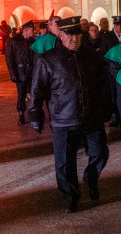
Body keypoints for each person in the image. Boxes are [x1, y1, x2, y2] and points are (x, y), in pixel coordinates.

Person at [29, 16, 113, 213]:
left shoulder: (92, 57)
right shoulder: (48, 59)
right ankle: (70, 197)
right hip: (63, 119)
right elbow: (37, 89)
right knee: (65, 164)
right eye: (69, 34)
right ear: (61, 34)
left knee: (100, 153)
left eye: (77, 34)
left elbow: (103, 86)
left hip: (91, 117)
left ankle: (91, 177)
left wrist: (107, 108)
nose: (73, 38)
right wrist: (35, 114)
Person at [5, 20, 36, 124]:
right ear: (26, 30)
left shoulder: (32, 41)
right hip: (20, 72)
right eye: (32, 30)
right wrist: (13, 74)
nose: (33, 32)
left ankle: (33, 113)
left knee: (33, 93)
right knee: (21, 94)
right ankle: (21, 113)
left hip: (31, 72)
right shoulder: (15, 41)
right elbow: (9, 58)